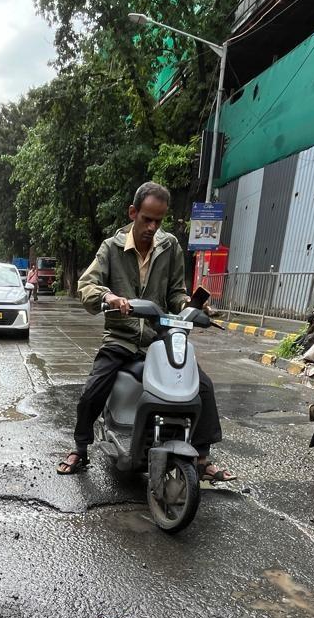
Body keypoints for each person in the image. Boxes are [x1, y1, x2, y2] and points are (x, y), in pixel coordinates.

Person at [57, 181, 233, 481]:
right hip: (121, 338)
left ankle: (201, 457)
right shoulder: (111, 248)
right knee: (92, 392)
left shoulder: (170, 247)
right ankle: (81, 447)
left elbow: (176, 292)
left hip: (157, 338)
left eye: (158, 221)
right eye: (146, 219)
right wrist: (108, 297)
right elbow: (86, 285)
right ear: (132, 212)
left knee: (201, 386)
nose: (152, 227)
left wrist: (192, 306)